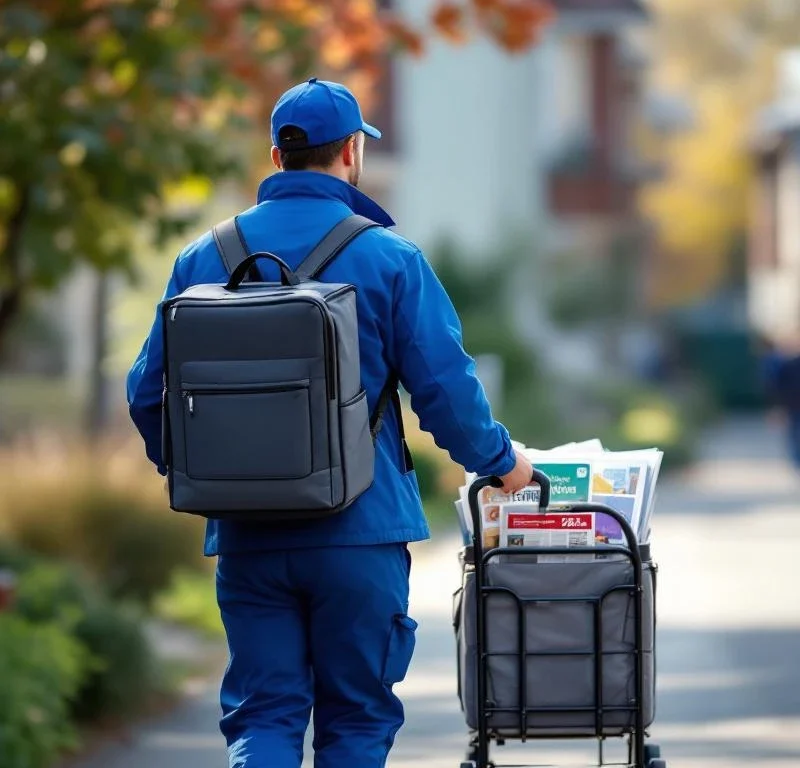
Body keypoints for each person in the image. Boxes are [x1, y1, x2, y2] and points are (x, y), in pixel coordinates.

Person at [126, 77, 533, 768]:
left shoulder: (202, 259)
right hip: (360, 531)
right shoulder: (389, 258)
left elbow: (145, 392)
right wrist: (501, 463)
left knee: (264, 717)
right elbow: (446, 392)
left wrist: (203, 469)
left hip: (248, 536)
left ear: (276, 157)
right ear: (351, 151)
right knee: (355, 722)